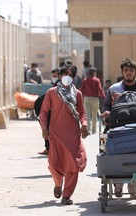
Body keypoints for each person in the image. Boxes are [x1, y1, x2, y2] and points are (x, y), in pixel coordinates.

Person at [101, 58, 136, 199]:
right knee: (119, 159)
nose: (128, 73)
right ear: (122, 72)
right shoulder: (114, 89)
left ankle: (133, 190)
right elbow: (105, 105)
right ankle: (118, 186)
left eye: (131, 70)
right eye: (126, 71)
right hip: (119, 130)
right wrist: (105, 112)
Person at [39, 65, 89, 205]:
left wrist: (84, 124)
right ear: (60, 76)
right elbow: (43, 112)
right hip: (55, 135)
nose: (67, 76)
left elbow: (82, 112)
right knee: (54, 165)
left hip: (72, 135)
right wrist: (44, 128)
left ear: (74, 77)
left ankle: (66, 195)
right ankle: (58, 183)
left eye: (70, 74)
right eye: (65, 74)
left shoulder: (77, 94)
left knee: (74, 166)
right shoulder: (52, 92)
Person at [34, 68, 60, 155]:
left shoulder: (61, 85)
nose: (54, 78)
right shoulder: (56, 85)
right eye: (53, 76)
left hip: (54, 113)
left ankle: (51, 149)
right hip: (48, 112)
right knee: (47, 130)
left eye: (56, 76)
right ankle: (49, 148)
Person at [80, 67, 105, 134]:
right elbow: (100, 89)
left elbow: (81, 89)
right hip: (95, 98)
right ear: (94, 72)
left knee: (87, 114)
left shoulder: (85, 80)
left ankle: (88, 128)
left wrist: (79, 98)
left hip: (87, 98)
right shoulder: (96, 80)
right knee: (94, 114)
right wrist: (103, 96)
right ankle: (94, 129)